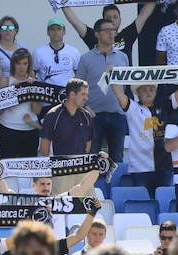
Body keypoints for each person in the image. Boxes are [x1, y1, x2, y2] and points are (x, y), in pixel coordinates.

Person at [109, 80, 178, 196]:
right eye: (144, 90)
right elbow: (119, 94)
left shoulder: (165, 107)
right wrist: (112, 77)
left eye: (151, 89)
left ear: (155, 92)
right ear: (138, 93)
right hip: (140, 168)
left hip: (164, 166)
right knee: (143, 204)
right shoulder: (132, 108)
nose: (148, 93)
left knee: (163, 202)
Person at [55, 0, 158, 64]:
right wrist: (61, 2)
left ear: (120, 20)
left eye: (115, 17)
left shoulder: (127, 35)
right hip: (101, 89)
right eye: (108, 17)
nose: (112, 20)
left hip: (124, 90)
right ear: (103, 19)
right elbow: (75, 22)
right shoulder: (95, 35)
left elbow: (144, 15)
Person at [76, 18, 130, 162]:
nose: (111, 34)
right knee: (93, 157)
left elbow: (125, 85)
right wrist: (85, 109)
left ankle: (114, 185)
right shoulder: (85, 58)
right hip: (93, 116)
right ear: (97, 34)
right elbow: (77, 88)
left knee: (117, 158)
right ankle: (93, 185)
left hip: (117, 114)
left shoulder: (123, 57)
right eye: (107, 30)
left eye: (113, 30)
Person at [0, 48, 42, 158]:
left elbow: (37, 110)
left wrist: (33, 89)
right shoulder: (4, 81)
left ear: (29, 65)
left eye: (24, 63)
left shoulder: (35, 82)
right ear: (13, 65)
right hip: (7, 128)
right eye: (18, 63)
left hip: (29, 129)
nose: (21, 67)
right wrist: (12, 91)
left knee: (29, 167)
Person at [39, 79, 92, 157]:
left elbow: (88, 146)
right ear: (72, 94)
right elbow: (44, 149)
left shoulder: (86, 116)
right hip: (59, 167)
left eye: (86, 95)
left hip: (80, 167)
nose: (86, 98)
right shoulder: (53, 115)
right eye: (83, 94)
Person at [32, 17, 80, 86]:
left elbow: (79, 74)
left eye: (59, 29)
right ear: (48, 32)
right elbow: (32, 73)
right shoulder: (38, 52)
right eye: (52, 29)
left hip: (66, 92)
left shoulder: (74, 52)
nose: (56, 32)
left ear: (64, 32)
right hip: (46, 93)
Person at [0, 15, 24, 91]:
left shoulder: (22, 48)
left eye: (11, 28)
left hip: (20, 92)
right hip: (1, 94)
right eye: (4, 28)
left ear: (16, 30)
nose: (7, 30)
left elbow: (29, 72)